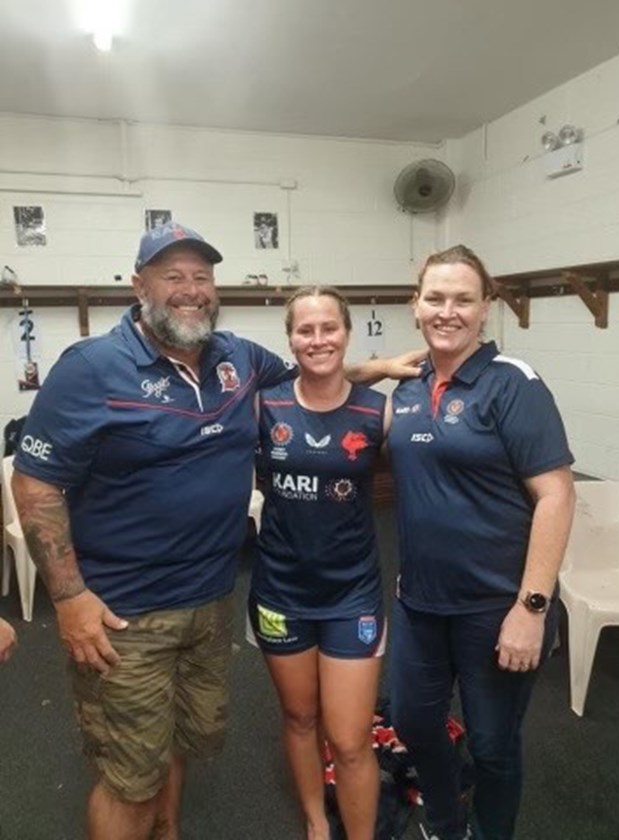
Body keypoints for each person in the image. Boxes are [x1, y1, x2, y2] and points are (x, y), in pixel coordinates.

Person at [11, 221, 420, 840]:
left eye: (201, 276)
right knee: (130, 779)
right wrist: (68, 596)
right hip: (125, 613)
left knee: (175, 745)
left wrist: (380, 367)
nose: (191, 289)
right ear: (138, 286)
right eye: (172, 276)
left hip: (210, 602)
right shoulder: (92, 367)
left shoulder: (237, 358)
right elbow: (36, 483)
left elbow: (317, 377)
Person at [386, 245, 575, 840]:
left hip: (496, 610)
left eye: (463, 299)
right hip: (420, 603)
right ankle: (446, 822)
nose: (449, 311)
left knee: (493, 747)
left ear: (485, 308)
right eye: (435, 298)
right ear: (415, 306)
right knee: (413, 723)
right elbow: (326, 375)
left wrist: (532, 609)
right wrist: (375, 368)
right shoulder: (410, 388)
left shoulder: (512, 385)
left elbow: (556, 496)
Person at [248, 286, 388, 840]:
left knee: (351, 738)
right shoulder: (268, 404)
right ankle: (314, 821)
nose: (318, 339)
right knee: (301, 719)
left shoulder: (381, 410)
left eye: (329, 327)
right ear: (291, 339)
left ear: (346, 332)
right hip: (280, 592)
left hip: (351, 594)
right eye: (305, 330)